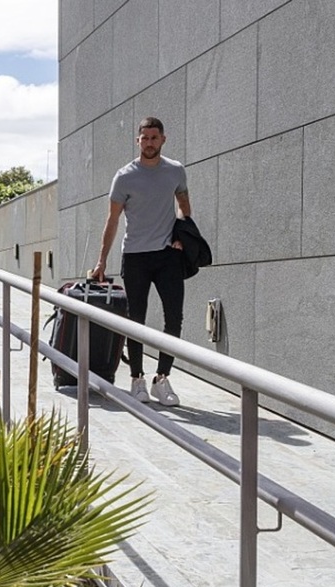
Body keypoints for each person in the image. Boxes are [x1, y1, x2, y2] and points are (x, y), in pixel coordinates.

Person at [91, 116, 191, 407]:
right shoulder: (124, 176)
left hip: (168, 256)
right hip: (135, 256)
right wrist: (101, 261)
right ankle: (137, 379)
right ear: (138, 141)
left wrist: (182, 236)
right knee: (136, 320)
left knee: (174, 317)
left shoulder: (175, 171)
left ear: (163, 139)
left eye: (154, 138)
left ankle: (162, 379)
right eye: (144, 138)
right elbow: (112, 220)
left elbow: (184, 207)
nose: (149, 143)